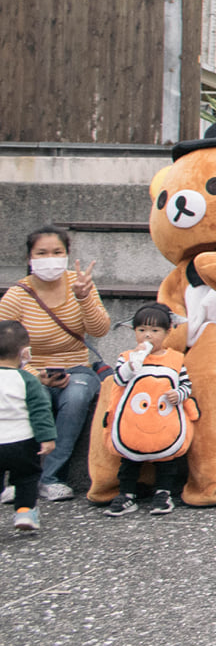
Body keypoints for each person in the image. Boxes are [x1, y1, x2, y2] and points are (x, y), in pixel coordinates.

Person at [1, 228, 108, 502]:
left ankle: (50, 478)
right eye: (42, 253)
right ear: (29, 257)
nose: (51, 259)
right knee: (28, 396)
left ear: (67, 254)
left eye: (57, 252)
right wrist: (35, 376)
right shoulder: (17, 295)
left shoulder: (80, 283)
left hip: (76, 367)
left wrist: (84, 298)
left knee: (76, 396)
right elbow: (2, 345)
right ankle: (18, 477)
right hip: (29, 369)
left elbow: (100, 329)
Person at [102, 303, 195, 517]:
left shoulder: (175, 359)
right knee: (129, 459)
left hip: (164, 420)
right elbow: (119, 379)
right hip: (133, 421)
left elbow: (187, 386)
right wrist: (133, 363)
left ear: (167, 332)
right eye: (142, 330)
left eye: (155, 331)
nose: (148, 336)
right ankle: (126, 494)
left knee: (167, 460)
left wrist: (178, 394)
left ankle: (163, 492)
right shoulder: (126, 356)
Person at [0, 321, 56, 537]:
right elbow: (40, 410)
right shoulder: (27, 380)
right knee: (26, 477)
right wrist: (48, 437)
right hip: (22, 441)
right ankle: (24, 512)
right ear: (25, 353)